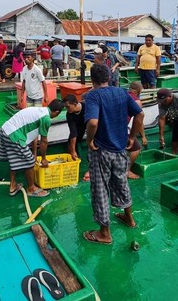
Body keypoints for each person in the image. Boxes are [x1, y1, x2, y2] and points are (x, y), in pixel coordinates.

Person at [83, 64, 144, 245]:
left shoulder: (93, 95)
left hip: (101, 151)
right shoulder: (121, 92)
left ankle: (104, 233)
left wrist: (89, 141)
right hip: (120, 150)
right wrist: (132, 137)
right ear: (109, 78)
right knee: (121, 183)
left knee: (100, 189)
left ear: (92, 79)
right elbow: (139, 114)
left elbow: (93, 122)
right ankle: (129, 219)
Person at [0, 99, 65, 198]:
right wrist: (43, 159)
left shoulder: (38, 110)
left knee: (14, 158)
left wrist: (34, 153)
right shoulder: (46, 118)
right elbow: (43, 141)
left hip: (5, 131)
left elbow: (35, 135)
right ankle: (31, 188)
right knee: (29, 162)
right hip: (14, 135)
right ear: (57, 112)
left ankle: (12, 186)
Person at [63, 94, 88, 181]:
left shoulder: (87, 107)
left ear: (75, 104)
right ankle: (72, 166)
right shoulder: (69, 114)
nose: (67, 109)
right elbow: (73, 132)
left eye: (68, 106)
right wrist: (73, 150)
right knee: (71, 143)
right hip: (78, 129)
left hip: (90, 126)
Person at [127, 81, 148, 179]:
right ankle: (127, 171)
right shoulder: (136, 101)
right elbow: (139, 120)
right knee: (136, 148)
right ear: (138, 91)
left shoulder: (123, 95)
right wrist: (143, 136)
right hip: (120, 127)